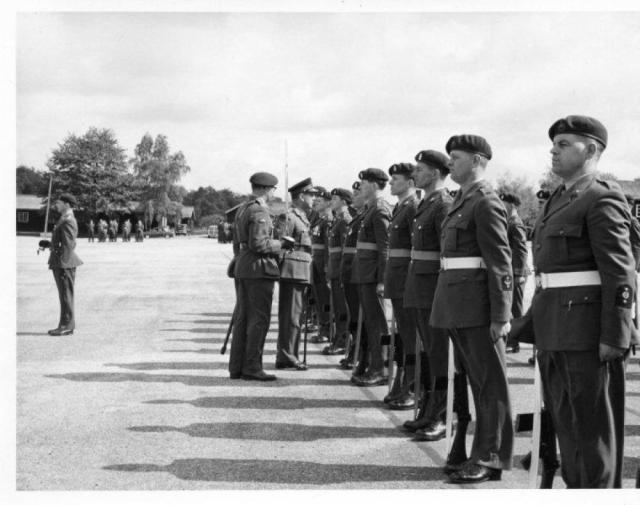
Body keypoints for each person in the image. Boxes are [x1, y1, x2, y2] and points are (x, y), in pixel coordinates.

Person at [531, 115, 635, 488]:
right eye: (553, 144)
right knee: (568, 431)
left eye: (563, 145)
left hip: (588, 333)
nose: (553, 151)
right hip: (555, 328)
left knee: (592, 437)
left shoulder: (601, 197)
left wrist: (615, 335)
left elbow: (619, 274)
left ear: (591, 150)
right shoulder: (559, 197)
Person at [431, 134, 514, 483]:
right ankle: (476, 451)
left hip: (478, 306)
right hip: (457, 302)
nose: (451, 163)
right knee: (474, 382)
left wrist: (501, 316)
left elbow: (501, 263)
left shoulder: (485, 202)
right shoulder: (461, 200)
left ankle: (491, 456)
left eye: (457, 157)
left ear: (478, 160)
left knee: (489, 384)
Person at [402, 150, 457, 441]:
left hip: (434, 288)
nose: (415, 175)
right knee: (429, 353)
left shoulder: (444, 204)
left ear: (435, 173)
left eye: (421, 170)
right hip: (419, 287)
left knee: (440, 354)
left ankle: (443, 414)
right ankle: (430, 408)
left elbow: (446, 253)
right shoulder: (427, 203)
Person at [228, 171, 285, 381]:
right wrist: (281, 244)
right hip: (258, 268)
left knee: (243, 318)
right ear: (265, 189)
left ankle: (237, 367)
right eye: (272, 190)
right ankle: (252, 367)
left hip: (243, 266)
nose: (272, 194)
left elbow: (237, 243)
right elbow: (259, 243)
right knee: (259, 319)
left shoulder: (243, 208)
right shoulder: (260, 211)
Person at [383, 163, 418, 410]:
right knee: (403, 336)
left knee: (411, 337)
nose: (391, 183)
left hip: (408, 279)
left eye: (396, 179)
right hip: (397, 278)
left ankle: (411, 386)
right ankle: (402, 382)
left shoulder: (414, 206)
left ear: (409, 182)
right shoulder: (400, 206)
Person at [352, 168, 392, 386]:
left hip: (372, 277)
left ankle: (380, 369)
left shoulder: (380, 210)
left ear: (375, 185)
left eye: (365, 183)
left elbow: (385, 248)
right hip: (364, 275)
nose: (361, 187)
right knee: (370, 324)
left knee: (377, 325)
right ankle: (373, 365)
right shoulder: (370, 210)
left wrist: (383, 280)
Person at [274, 178, 315, 371]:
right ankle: (287, 355)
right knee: (290, 316)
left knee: (296, 316)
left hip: (301, 272)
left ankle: (289, 355)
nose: (313, 198)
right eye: (311, 194)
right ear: (301, 196)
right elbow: (281, 246)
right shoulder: (288, 217)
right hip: (292, 272)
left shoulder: (302, 217)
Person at [339, 182, 367, 369]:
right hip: (350, 272)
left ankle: (361, 354)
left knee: (360, 317)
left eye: (358, 193)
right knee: (354, 316)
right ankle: (356, 351)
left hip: (360, 273)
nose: (354, 197)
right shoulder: (358, 218)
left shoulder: (360, 217)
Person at [47, 193, 83, 336]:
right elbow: (64, 241)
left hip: (64, 263)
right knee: (64, 294)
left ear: (66, 204)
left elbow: (69, 245)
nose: (56, 205)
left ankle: (66, 325)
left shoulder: (68, 220)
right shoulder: (64, 218)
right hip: (61, 261)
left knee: (66, 295)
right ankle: (65, 324)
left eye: (59, 203)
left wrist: (62, 262)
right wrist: (51, 244)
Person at [323, 188, 353, 355]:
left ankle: (343, 340)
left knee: (343, 309)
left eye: (334, 199)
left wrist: (341, 272)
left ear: (343, 201)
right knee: (338, 308)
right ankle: (339, 337)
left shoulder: (345, 220)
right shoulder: (337, 220)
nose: (331, 201)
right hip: (334, 270)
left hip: (340, 270)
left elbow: (344, 249)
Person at [500, 192, 530, 353]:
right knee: (509, 305)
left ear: (511, 205)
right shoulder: (508, 221)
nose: (501, 206)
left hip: (516, 272)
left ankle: (515, 341)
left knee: (516, 308)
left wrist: (518, 274)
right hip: (510, 271)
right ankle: (511, 339)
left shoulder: (515, 223)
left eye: (503, 203)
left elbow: (521, 250)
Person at [309, 187, 333, 343]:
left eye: (319, 201)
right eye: (315, 200)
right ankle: (322, 326)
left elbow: (328, 247)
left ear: (328, 203)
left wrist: (326, 266)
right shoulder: (318, 219)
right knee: (318, 297)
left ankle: (327, 330)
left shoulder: (329, 220)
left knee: (325, 299)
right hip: (315, 263)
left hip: (323, 265)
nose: (315, 203)